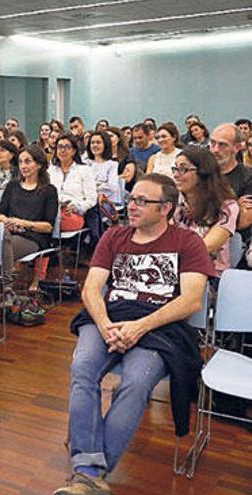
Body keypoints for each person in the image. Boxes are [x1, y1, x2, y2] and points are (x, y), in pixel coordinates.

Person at [54, 174, 213, 495]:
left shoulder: (187, 242)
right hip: (109, 319)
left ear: (166, 208)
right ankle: (89, 472)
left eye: (143, 201)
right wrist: (104, 325)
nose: (132, 206)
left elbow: (191, 300)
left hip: (159, 326)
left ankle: (87, 476)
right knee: (82, 369)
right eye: (131, 199)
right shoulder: (114, 236)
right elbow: (92, 288)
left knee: (136, 383)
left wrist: (140, 327)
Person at [0, 146, 57, 329]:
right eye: (20, 162)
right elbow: (0, 214)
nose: (23, 166)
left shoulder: (49, 190)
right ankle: (6, 291)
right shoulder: (12, 186)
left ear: (40, 165)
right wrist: (9, 222)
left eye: (28, 161)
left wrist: (23, 223)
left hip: (34, 238)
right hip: (9, 233)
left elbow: (48, 226)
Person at [171, 147, 238, 275]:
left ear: (203, 172)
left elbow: (208, 246)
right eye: (175, 168)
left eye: (183, 169)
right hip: (175, 269)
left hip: (209, 275)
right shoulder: (174, 203)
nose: (176, 175)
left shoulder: (227, 207)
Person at [49, 132, 96, 233]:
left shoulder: (84, 170)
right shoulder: (50, 171)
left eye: (67, 147)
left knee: (54, 222)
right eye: (60, 147)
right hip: (52, 210)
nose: (62, 150)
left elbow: (91, 199)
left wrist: (77, 207)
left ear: (74, 151)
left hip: (73, 212)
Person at [210, 123, 252, 234]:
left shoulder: (248, 176)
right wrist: (235, 207)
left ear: (237, 147)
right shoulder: (200, 173)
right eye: (212, 143)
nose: (215, 150)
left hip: (236, 239)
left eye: (222, 145)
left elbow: (244, 221)